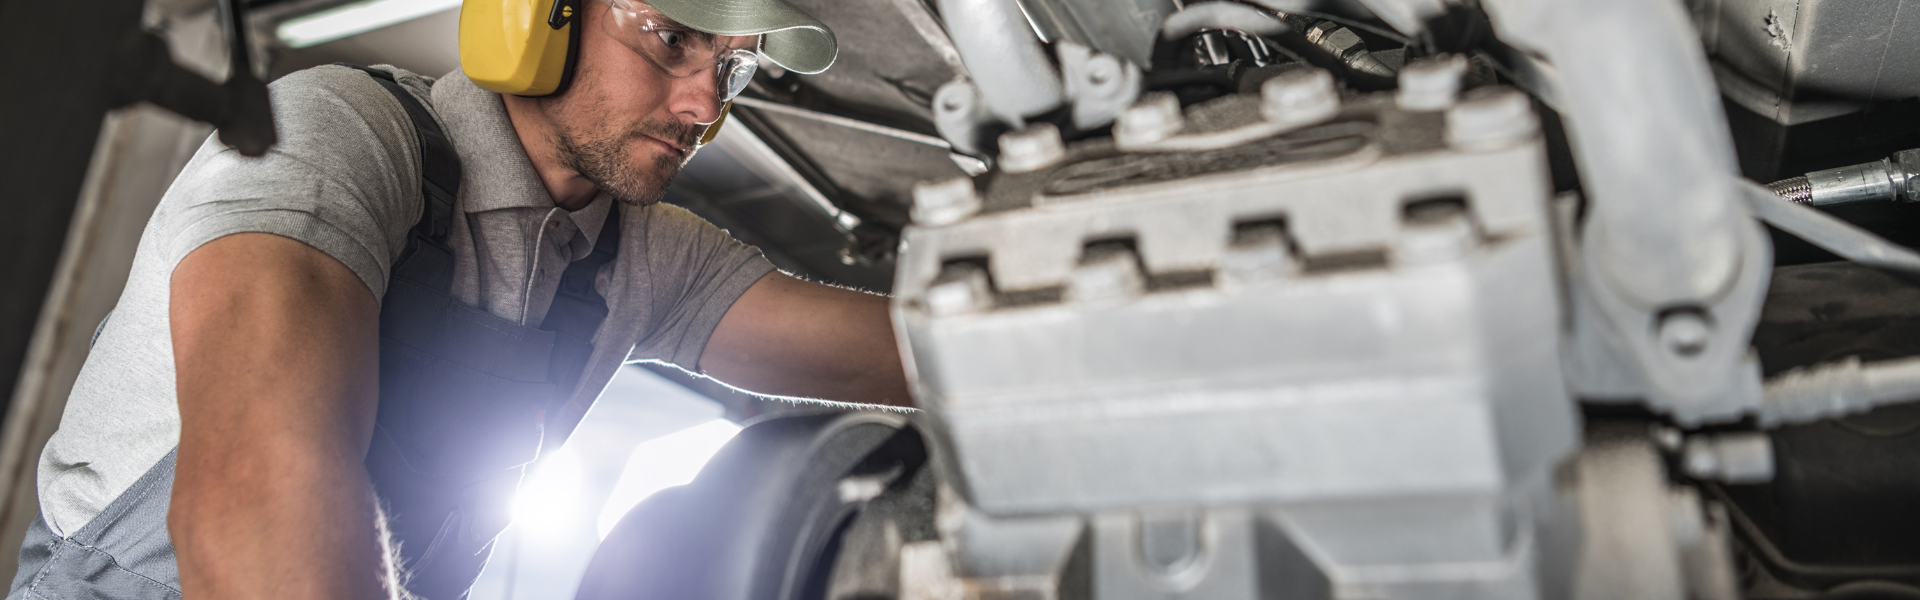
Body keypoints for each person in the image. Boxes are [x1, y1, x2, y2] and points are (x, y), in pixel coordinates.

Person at [7, 0, 911, 598]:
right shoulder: (341, 133)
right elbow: (256, 490)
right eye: (673, 39)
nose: (701, 105)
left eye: (736, 69)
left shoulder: (642, 255)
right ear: (538, 16)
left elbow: (919, 353)